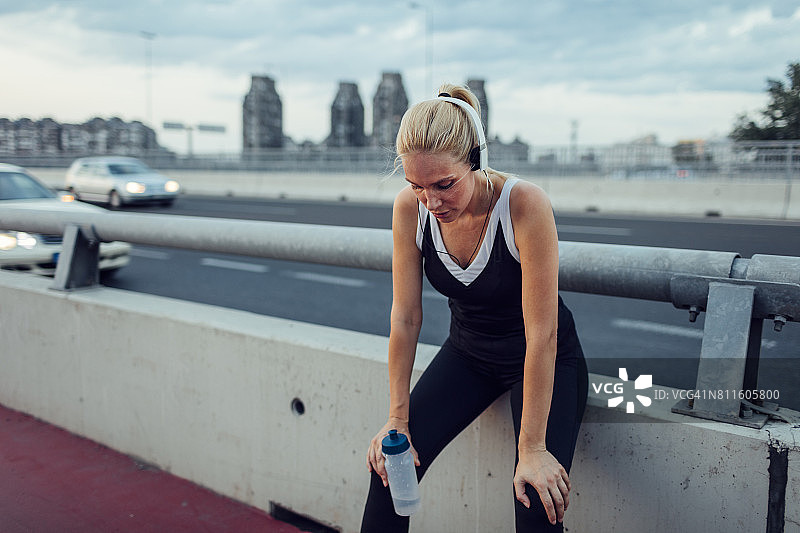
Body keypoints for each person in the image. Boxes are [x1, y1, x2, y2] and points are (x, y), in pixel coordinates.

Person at [361, 83, 588, 532]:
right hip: (469, 354)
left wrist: (533, 448)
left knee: (534, 498)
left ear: (477, 161)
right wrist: (397, 420)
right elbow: (405, 318)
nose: (432, 202)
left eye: (445, 184)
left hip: (543, 357)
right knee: (390, 468)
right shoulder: (411, 208)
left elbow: (541, 333)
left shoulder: (524, 204)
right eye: (417, 186)